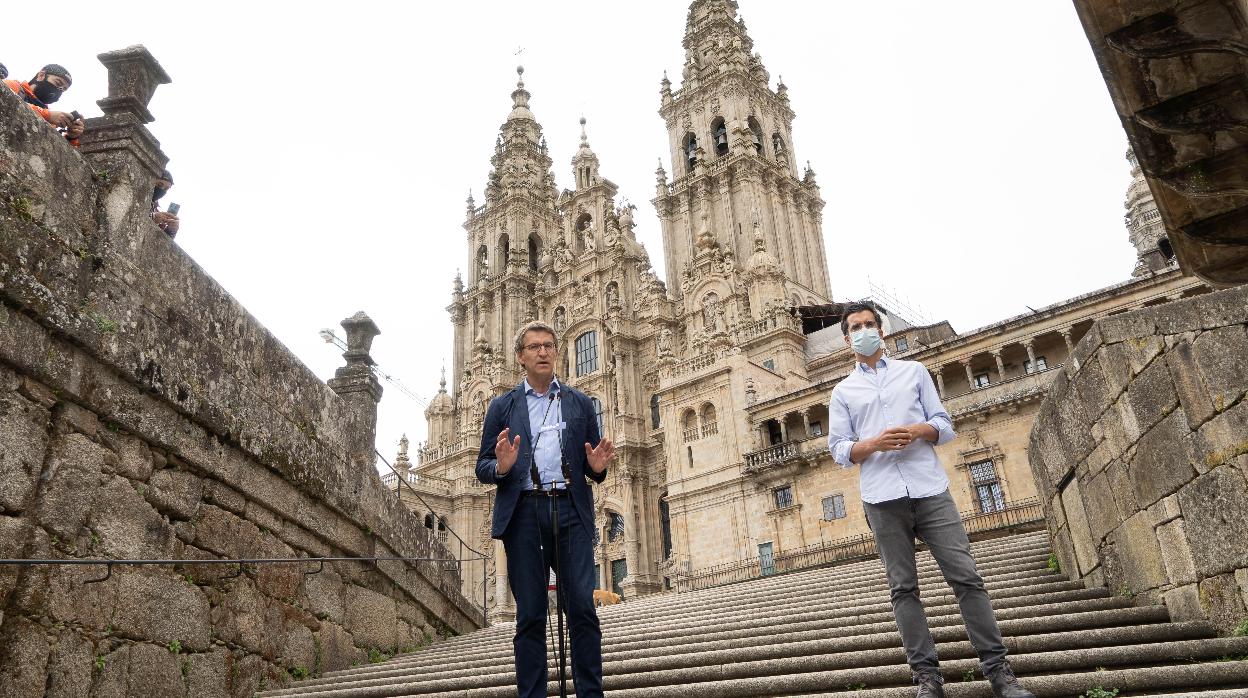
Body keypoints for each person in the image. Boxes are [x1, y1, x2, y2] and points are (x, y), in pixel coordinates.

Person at [826, 302, 1035, 698]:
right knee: (903, 589)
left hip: (929, 488)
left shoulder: (914, 372)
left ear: (882, 330)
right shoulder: (842, 392)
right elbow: (838, 449)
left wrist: (919, 431)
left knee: (967, 577)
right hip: (882, 496)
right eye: (856, 326)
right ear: (846, 337)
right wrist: (872, 443)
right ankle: (927, 678)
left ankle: (1000, 672)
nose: (865, 330)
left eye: (870, 324)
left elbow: (944, 425)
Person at [476, 320, 614, 698]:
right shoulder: (502, 406)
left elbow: (590, 459)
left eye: (549, 346)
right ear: (520, 356)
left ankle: (591, 693)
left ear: (557, 352)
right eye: (535, 346)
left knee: (583, 611)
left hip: (570, 510)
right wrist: (502, 466)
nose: (543, 352)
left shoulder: (579, 402)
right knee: (531, 616)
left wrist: (597, 468)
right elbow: (482, 466)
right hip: (524, 515)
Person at [3, 64, 83, 146]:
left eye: (63, 89)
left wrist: (71, 137)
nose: (59, 90)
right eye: (58, 83)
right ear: (41, 75)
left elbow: (52, 151)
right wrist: (47, 115)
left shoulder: (51, 120)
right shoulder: (13, 86)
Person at [151, 170, 180, 237]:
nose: (162, 190)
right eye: (159, 185)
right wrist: (152, 217)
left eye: (166, 189)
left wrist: (171, 231)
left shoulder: (157, 211)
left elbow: (156, 241)